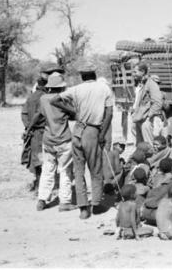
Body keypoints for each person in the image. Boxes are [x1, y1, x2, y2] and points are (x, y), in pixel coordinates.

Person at [50, 62, 114, 219]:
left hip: (77, 131)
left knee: (78, 171)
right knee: (95, 170)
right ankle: (96, 204)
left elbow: (54, 100)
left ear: (82, 76)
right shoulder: (104, 88)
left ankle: (83, 208)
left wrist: (74, 112)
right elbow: (109, 113)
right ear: (95, 75)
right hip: (93, 130)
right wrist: (102, 134)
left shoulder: (75, 89)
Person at [27, 72, 76, 212]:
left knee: (47, 170)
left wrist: (29, 128)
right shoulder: (64, 99)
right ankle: (65, 202)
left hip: (48, 140)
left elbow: (38, 115)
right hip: (64, 139)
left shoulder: (43, 99)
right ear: (61, 87)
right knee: (66, 171)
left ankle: (42, 200)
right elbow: (73, 115)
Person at [21, 77, 47, 193]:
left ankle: (37, 183)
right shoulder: (46, 97)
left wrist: (28, 127)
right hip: (44, 131)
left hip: (33, 132)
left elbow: (24, 113)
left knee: (36, 158)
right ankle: (41, 186)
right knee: (44, 160)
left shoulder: (30, 97)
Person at [132, 63, 163, 146]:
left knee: (149, 146)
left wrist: (149, 116)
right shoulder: (141, 84)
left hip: (146, 121)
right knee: (140, 146)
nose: (133, 74)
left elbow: (158, 102)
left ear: (142, 72)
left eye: (135, 72)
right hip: (139, 119)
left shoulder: (151, 84)